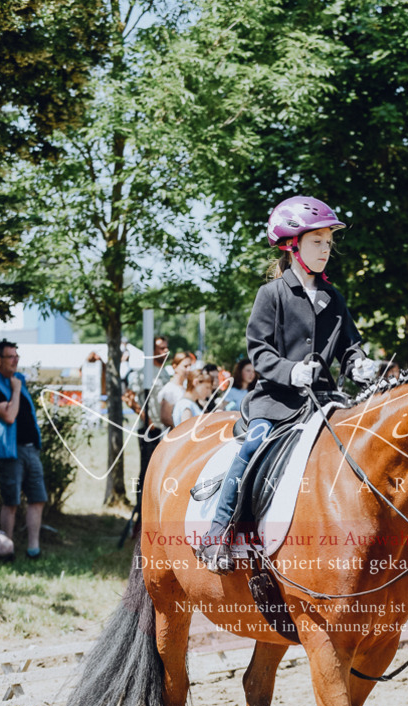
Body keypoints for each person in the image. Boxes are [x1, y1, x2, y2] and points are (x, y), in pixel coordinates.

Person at [196, 194, 377, 574]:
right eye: (317, 242)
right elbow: (259, 352)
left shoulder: (334, 298)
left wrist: (359, 363)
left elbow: (350, 346)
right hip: (275, 402)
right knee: (251, 449)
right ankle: (219, 533)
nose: (325, 250)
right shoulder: (271, 295)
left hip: (326, 402)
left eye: (329, 243)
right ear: (293, 246)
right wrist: (291, 371)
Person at [0, 340, 47, 558]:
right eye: (11, 356)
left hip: (31, 449)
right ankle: (5, 549)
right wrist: (17, 390)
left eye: (17, 356)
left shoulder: (18, 380)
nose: (15, 360)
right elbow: (9, 416)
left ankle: (33, 549)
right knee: (11, 501)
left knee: (37, 498)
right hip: (10, 453)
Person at [123, 336, 171, 493]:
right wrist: (146, 418)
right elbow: (128, 397)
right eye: (161, 348)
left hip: (165, 428)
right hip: (149, 429)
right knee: (146, 470)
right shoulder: (143, 372)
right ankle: (140, 510)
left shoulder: (165, 371)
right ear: (152, 351)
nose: (165, 351)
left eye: (166, 347)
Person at [158, 350, 196, 427]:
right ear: (175, 367)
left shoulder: (186, 387)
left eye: (190, 366)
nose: (188, 369)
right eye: (185, 366)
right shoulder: (169, 389)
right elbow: (165, 418)